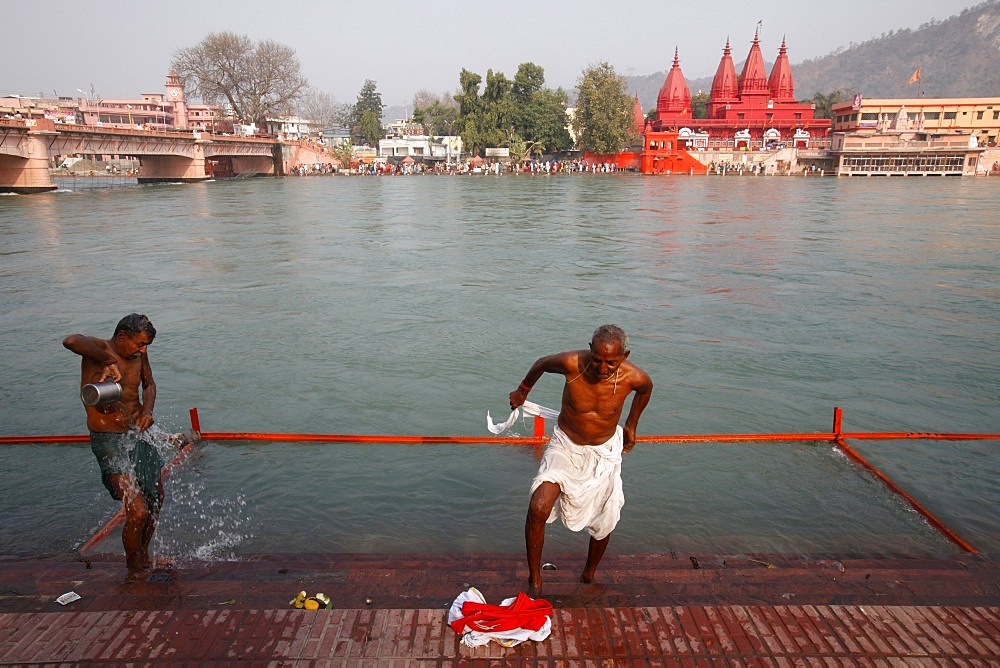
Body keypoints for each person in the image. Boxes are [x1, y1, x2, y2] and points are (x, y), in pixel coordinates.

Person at [509, 324, 653, 590]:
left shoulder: (635, 377)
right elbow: (541, 363)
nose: (602, 368)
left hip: (603, 452)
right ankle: (535, 579)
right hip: (566, 446)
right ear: (590, 351)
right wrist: (522, 390)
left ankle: (589, 574)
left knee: (606, 517)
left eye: (611, 362)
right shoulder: (572, 363)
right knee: (538, 505)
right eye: (597, 360)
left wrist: (631, 426)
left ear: (624, 355)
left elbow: (646, 390)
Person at [63, 314, 166, 570]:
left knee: (156, 497)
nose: (142, 350)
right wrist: (108, 361)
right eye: (139, 344)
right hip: (109, 440)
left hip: (136, 436)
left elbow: (150, 385)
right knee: (138, 510)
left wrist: (147, 413)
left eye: (146, 346)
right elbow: (71, 340)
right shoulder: (99, 351)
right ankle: (134, 569)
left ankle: (143, 556)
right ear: (122, 336)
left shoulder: (138, 355)